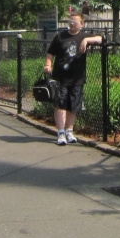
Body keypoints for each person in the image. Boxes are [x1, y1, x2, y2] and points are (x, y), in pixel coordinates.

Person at [43, 12, 102, 145]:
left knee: (73, 106)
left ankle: (69, 131)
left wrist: (87, 40)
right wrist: (48, 64)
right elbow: (50, 53)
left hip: (77, 78)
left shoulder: (84, 36)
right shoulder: (60, 37)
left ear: (82, 24)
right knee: (60, 104)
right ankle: (61, 132)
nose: (71, 24)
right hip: (60, 77)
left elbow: (102, 39)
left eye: (75, 22)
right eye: (70, 21)